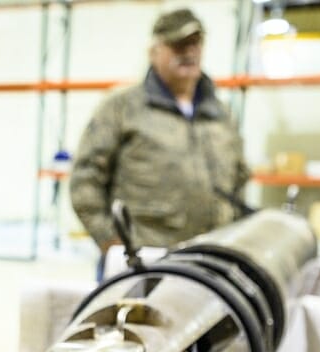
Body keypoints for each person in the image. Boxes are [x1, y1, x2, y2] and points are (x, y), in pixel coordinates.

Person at [70, 7, 250, 266]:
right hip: (142, 260)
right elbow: (85, 180)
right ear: (154, 52)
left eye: (195, 43)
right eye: (178, 45)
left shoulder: (220, 113)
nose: (189, 52)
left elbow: (240, 178)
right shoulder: (122, 108)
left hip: (211, 260)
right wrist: (111, 242)